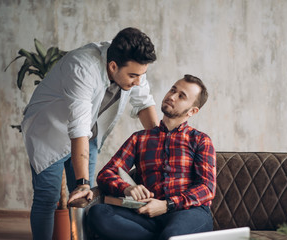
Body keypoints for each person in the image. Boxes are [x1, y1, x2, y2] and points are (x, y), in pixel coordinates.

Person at [21, 27, 159, 239]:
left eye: (141, 75)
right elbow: (78, 128)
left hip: (88, 137)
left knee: (83, 200)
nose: (138, 81)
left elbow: (143, 102)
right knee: (47, 197)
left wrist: (163, 145)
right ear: (113, 66)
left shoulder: (131, 67)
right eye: (133, 76)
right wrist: (82, 182)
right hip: (49, 134)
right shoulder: (82, 67)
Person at [88, 74, 216, 240]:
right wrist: (126, 188)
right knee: (98, 213)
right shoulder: (139, 139)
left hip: (188, 212)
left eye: (181, 96)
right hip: (146, 215)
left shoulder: (200, 140)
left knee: (172, 235)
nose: (172, 96)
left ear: (192, 111)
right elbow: (106, 174)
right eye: (173, 90)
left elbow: (206, 188)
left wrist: (167, 205)